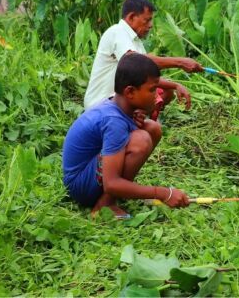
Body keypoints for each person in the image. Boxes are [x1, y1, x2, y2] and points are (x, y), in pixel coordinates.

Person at [63, 53, 189, 217]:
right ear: (130, 92)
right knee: (141, 140)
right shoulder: (113, 121)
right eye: (152, 90)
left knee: (152, 128)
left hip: (89, 173)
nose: (157, 95)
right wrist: (164, 193)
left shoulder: (119, 106)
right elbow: (112, 183)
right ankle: (104, 205)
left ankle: (114, 197)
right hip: (80, 186)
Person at [84, 0, 203, 120]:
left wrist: (175, 85)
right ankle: (139, 125)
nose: (151, 25)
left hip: (119, 99)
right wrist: (180, 62)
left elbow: (144, 75)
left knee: (166, 91)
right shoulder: (117, 32)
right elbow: (137, 63)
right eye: (147, 20)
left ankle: (143, 119)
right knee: (150, 128)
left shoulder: (135, 41)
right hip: (101, 104)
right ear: (131, 17)